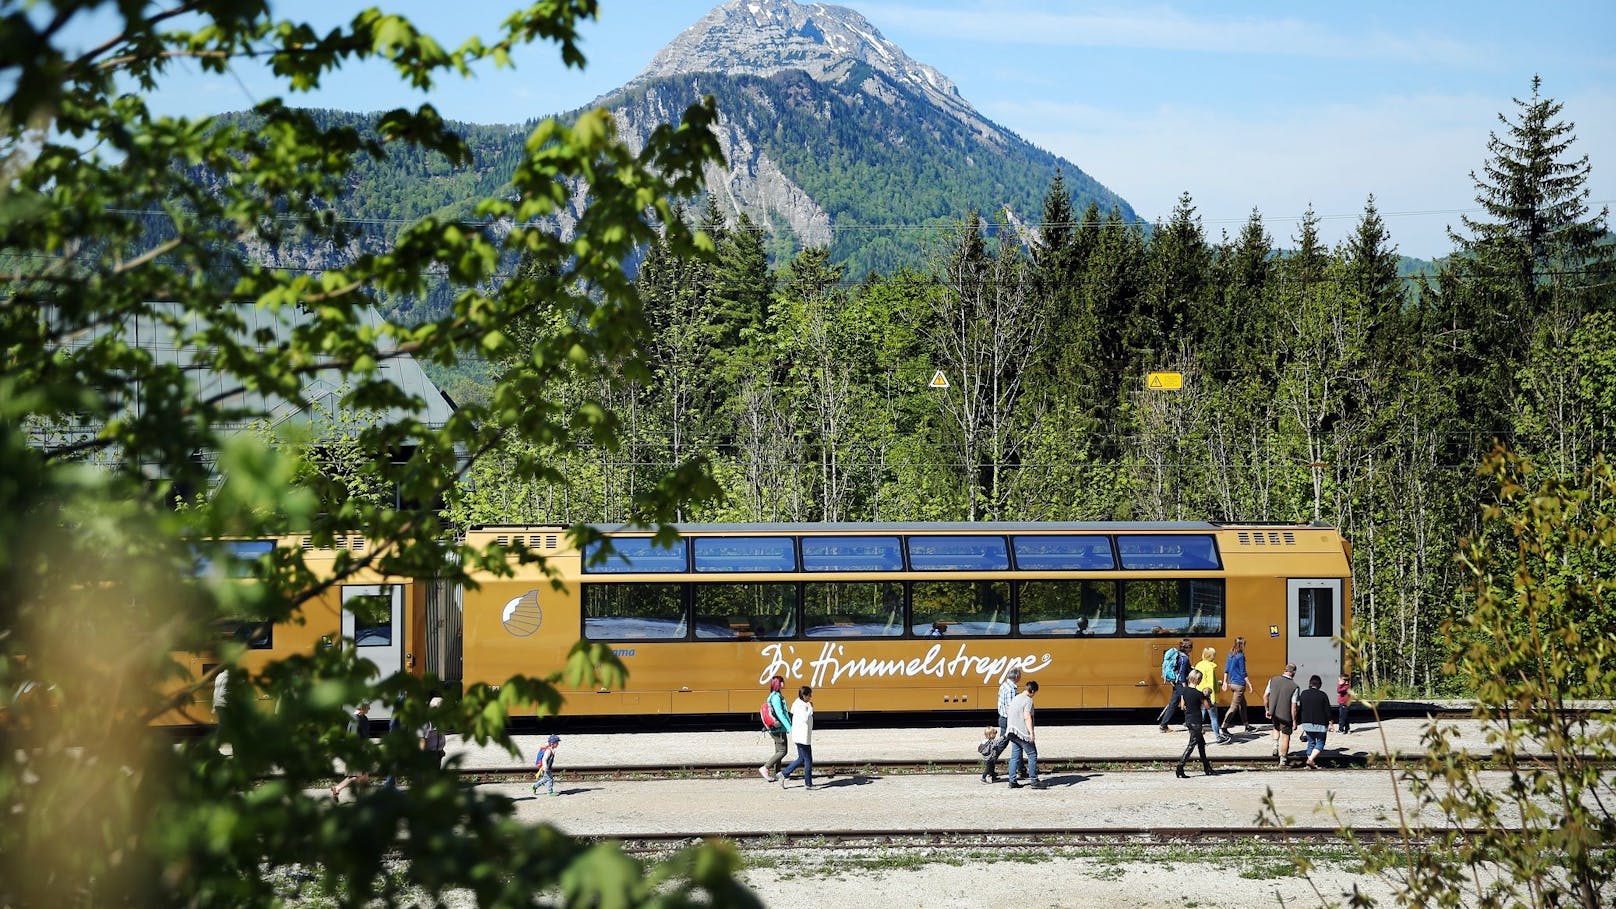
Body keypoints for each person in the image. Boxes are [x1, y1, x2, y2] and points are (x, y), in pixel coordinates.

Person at [1170, 669, 1216, 778]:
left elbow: (1182, 706)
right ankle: (1180, 768)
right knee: (1191, 745)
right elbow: (1208, 707)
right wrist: (1208, 698)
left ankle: (1207, 768)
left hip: (1188, 720)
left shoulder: (1184, 691)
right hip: (1196, 721)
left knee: (1201, 745)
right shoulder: (1199, 694)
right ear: (1198, 679)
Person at [1006, 680, 1046, 789]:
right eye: (1034, 693)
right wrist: (1031, 733)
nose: (1034, 695)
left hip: (1012, 731)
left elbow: (1008, 710)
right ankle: (1034, 781)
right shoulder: (1028, 700)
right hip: (1022, 732)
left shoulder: (1016, 698)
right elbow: (1027, 716)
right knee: (1032, 754)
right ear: (1032, 690)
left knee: (1014, 757)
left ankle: (1012, 781)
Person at [330, 701, 372, 802]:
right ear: (362, 708)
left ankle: (365, 798)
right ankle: (337, 788)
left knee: (365, 776)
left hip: (362, 751)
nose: (369, 709)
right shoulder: (355, 720)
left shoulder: (363, 718)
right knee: (355, 777)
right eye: (368, 707)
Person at [985, 667, 1022, 779]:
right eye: (1020, 675)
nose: (1020, 677)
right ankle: (989, 767)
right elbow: (1010, 708)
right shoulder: (1011, 689)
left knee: (1018, 743)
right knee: (1003, 744)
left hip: (1003, 719)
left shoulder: (1004, 685)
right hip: (1008, 720)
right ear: (1016, 677)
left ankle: (1021, 769)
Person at [1264, 663, 1300, 767]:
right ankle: (1283, 760)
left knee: (1276, 728)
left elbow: (1265, 696)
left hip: (1274, 713)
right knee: (1285, 736)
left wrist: (1267, 709)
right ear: (1293, 673)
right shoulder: (1295, 687)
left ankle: (1275, 746)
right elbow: (1293, 707)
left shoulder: (1273, 680)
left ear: (1284, 670)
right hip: (1286, 716)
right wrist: (1294, 721)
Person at [779, 686, 815, 790]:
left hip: (798, 736)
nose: (811, 697)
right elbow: (805, 717)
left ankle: (784, 774)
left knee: (801, 758)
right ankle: (807, 783)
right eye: (809, 695)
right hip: (803, 737)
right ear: (804, 696)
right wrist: (810, 707)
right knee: (808, 760)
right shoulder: (803, 705)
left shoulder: (796, 703)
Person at [1193, 646, 1230, 744]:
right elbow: (1210, 684)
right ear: (1212, 656)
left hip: (1198, 694)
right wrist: (1213, 698)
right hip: (1208, 696)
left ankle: (1196, 736)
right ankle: (1218, 737)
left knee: (1200, 716)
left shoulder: (1198, 665)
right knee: (1213, 718)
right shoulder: (1210, 667)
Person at [758, 675, 792, 782]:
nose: (784, 683)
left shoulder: (772, 696)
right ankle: (765, 768)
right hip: (779, 728)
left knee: (778, 751)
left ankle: (777, 774)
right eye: (782, 682)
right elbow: (780, 713)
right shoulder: (776, 697)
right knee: (783, 751)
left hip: (774, 728)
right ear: (779, 683)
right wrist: (789, 726)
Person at [1295, 675, 1333, 769]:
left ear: (1310, 684)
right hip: (1321, 723)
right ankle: (1311, 759)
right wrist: (1331, 722)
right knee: (1320, 742)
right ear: (1319, 684)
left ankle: (1310, 763)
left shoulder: (1303, 694)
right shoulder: (1323, 695)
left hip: (1306, 722)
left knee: (1311, 742)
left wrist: (1298, 720)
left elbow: (1300, 708)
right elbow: (1327, 710)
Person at [1157, 639, 1192, 732]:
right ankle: (1191, 725)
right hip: (1181, 683)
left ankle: (1163, 725)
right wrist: (1185, 686)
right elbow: (1182, 674)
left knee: (1173, 704)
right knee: (1187, 703)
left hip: (1176, 683)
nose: (1191, 649)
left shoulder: (1179, 655)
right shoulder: (1184, 658)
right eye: (1190, 647)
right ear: (1187, 648)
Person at [1222, 637, 1252, 733]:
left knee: (1243, 704)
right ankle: (1224, 726)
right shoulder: (1240, 656)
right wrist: (1249, 684)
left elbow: (1226, 669)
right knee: (1234, 706)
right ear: (1242, 645)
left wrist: (1225, 682)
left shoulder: (1230, 654)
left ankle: (1246, 725)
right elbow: (1243, 672)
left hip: (1232, 683)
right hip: (1239, 684)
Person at [420, 693, 448, 771]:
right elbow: (422, 740)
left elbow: (440, 736)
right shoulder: (427, 722)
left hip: (437, 753)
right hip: (429, 754)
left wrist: (441, 749)